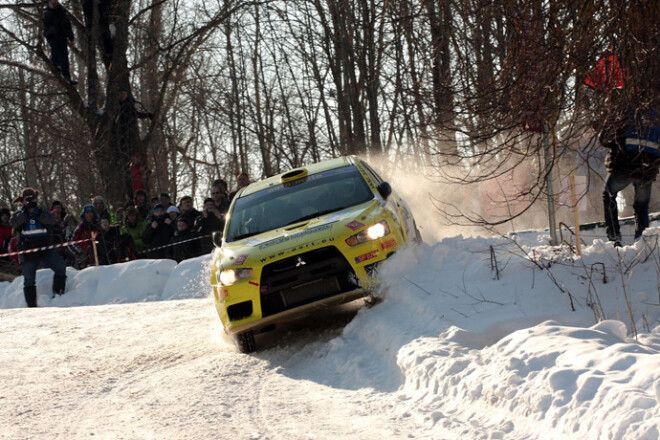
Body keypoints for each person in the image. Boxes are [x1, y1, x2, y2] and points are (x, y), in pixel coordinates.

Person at [602, 104, 660, 246]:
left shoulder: (623, 111)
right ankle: (643, 243)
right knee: (641, 206)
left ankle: (614, 238)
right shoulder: (656, 115)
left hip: (624, 166)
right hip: (647, 170)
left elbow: (606, 139)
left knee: (608, 195)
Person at [9, 188, 67, 307]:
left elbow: (51, 221)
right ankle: (32, 306)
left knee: (61, 268)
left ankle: (58, 296)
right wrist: (26, 212)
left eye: (33, 198)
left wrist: (37, 212)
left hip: (45, 249)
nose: (30, 201)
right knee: (29, 280)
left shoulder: (42, 212)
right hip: (28, 252)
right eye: (27, 199)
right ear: (23, 200)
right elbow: (14, 223)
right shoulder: (19, 214)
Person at [43, 0, 77, 85]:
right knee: (55, 48)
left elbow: (67, 25)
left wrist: (71, 38)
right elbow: (44, 26)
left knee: (64, 56)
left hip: (62, 36)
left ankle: (67, 77)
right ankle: (55, 65)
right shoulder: (45, 12)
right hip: (52, 36)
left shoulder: (62, 11)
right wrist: (50, 32)